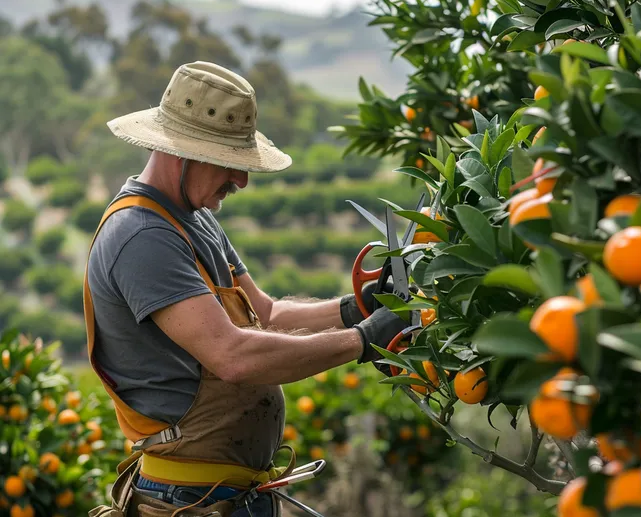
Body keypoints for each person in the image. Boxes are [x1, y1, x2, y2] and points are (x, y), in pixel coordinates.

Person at [83, 61, 409, 517]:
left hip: (232, 496)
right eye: (230, 164)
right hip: (189, 503)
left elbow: (267, 314)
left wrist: (353, 310)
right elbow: (232, 356)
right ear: (182, 151)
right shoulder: (142, 236)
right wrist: (363, 341)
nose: (242, 180)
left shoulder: (194, 219)